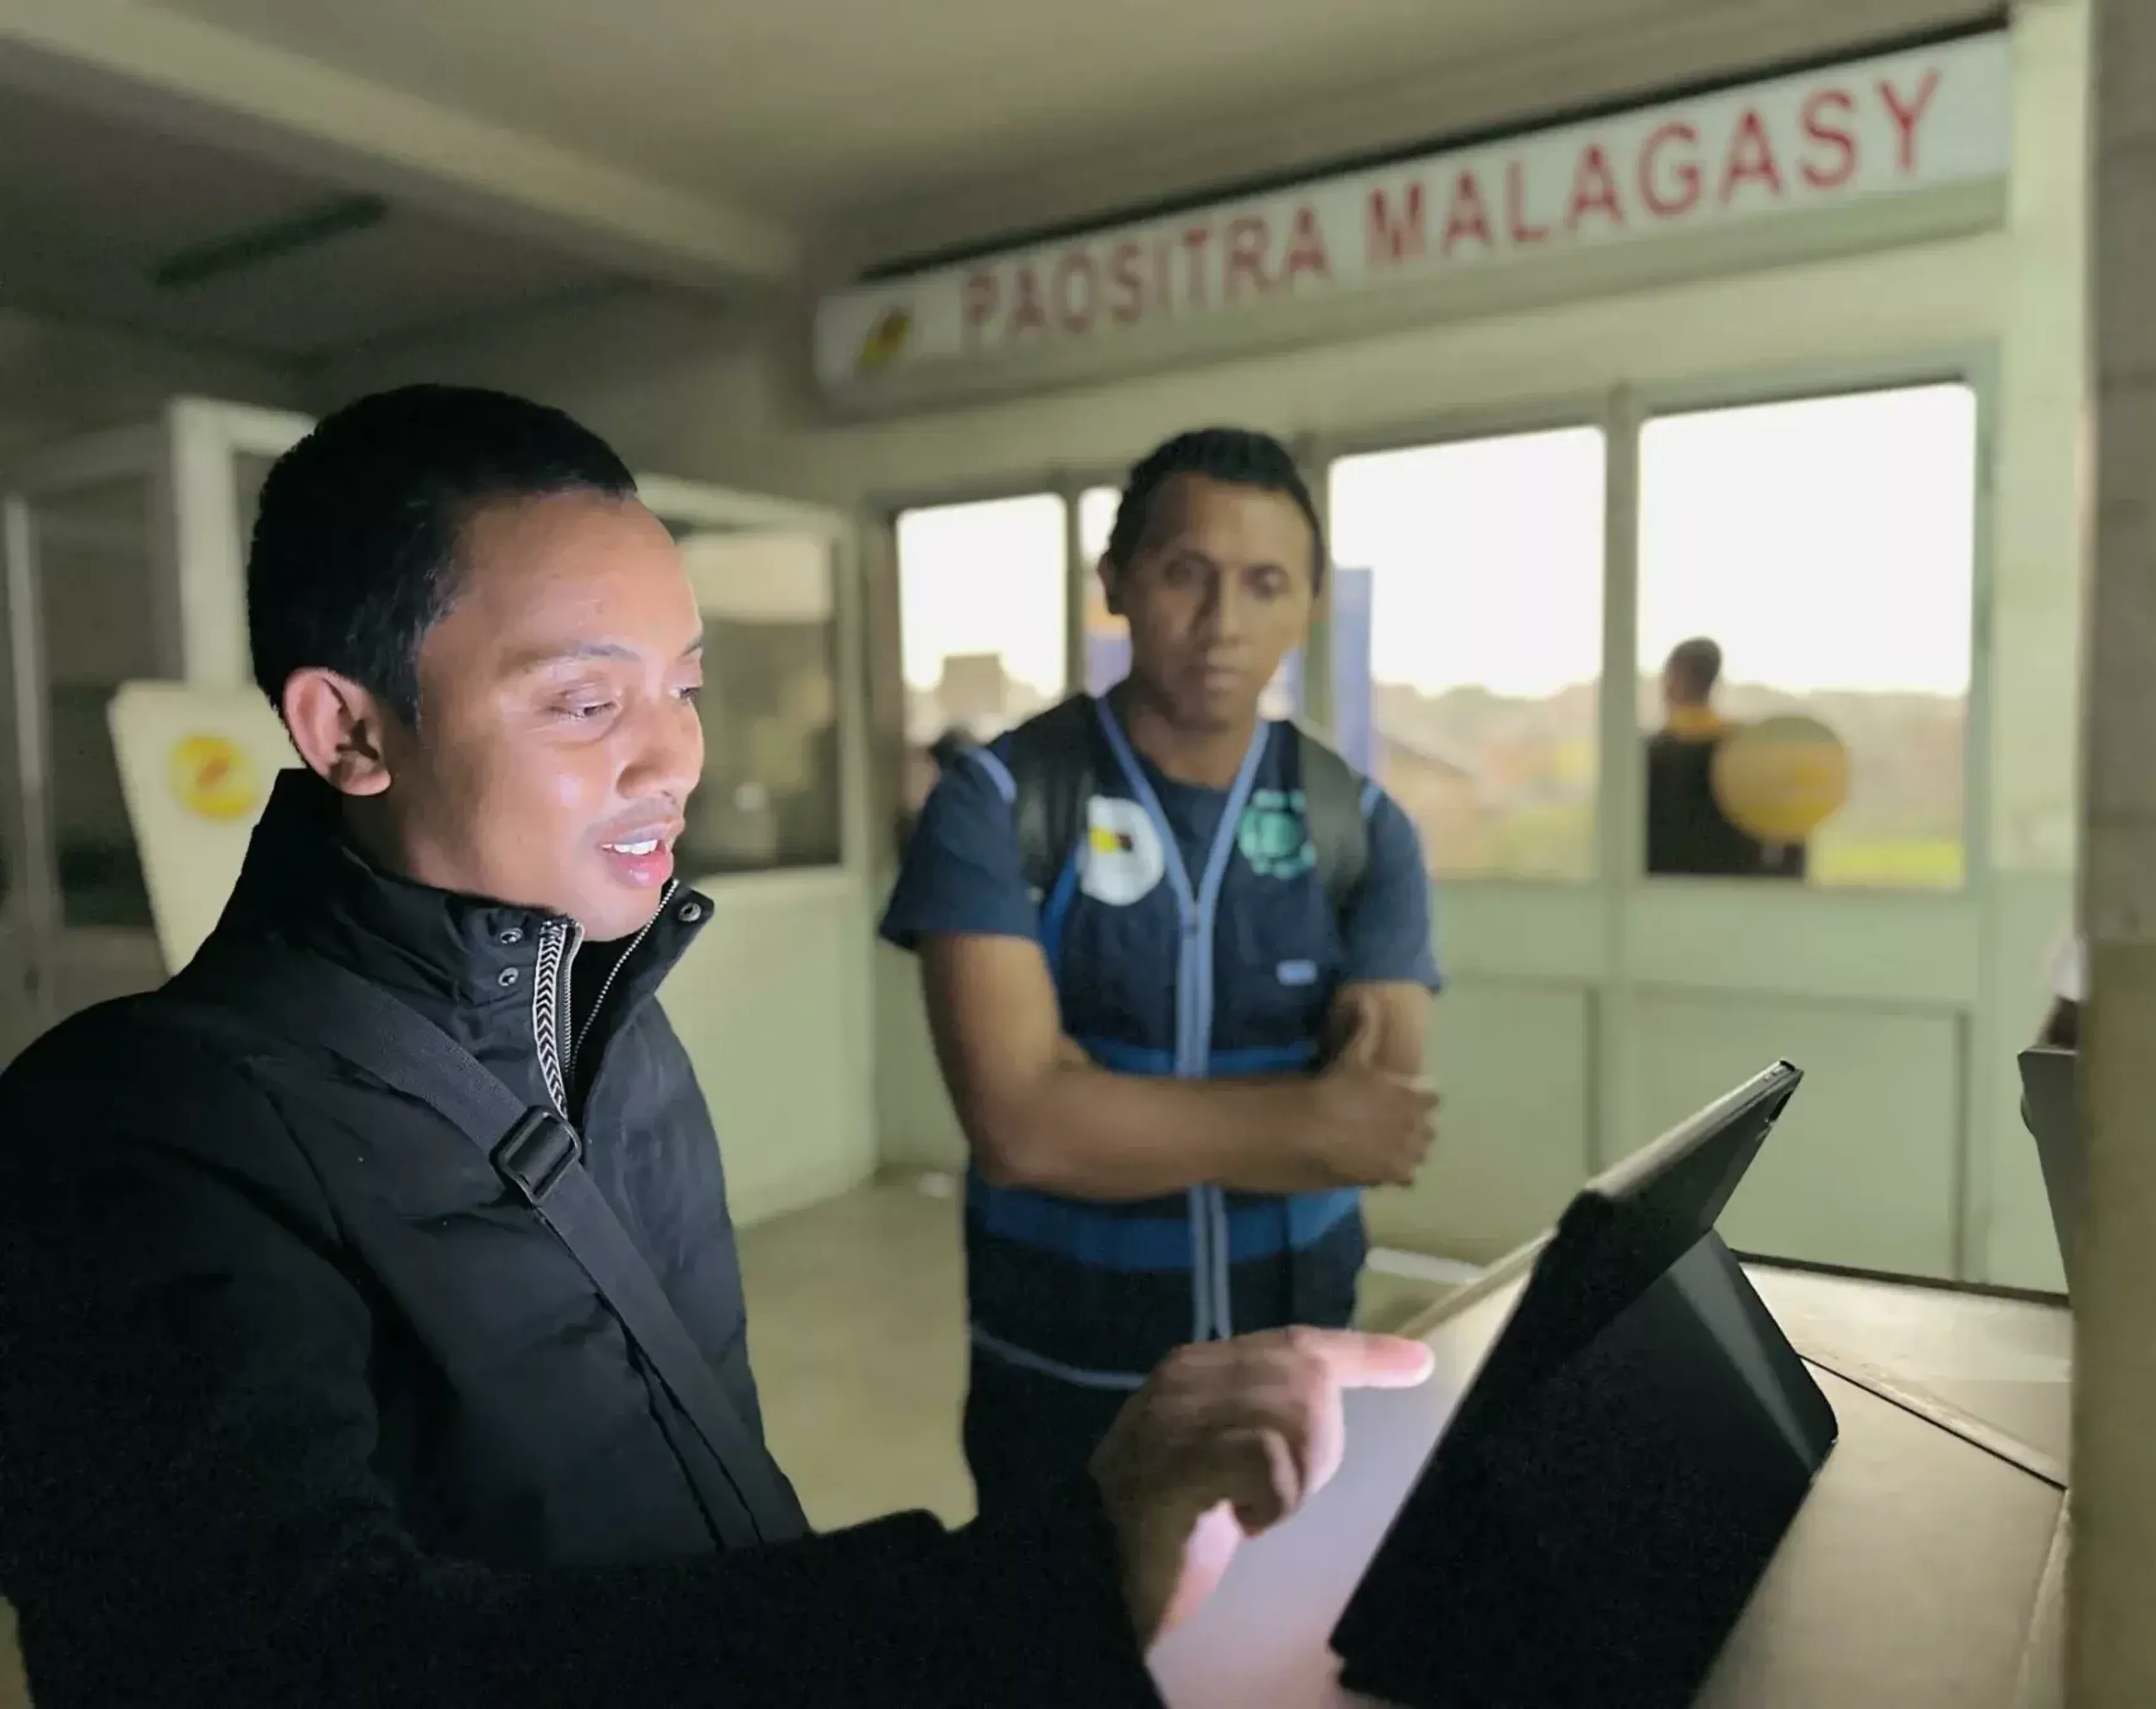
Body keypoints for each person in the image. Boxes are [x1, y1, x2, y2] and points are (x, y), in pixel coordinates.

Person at [0, 387, 1434, 1708]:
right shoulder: (134, 1136)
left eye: (683, 687)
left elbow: (708, 1518)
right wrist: (1025, 1589)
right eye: (584, 700)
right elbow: (283, 1661)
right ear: (350, 728)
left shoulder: (621, 1038)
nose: (673, 758)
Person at [881, 428, 1442, 1514]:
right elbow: (1021, 1129)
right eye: (1187, 572)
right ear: (1118, 581)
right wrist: (1303, 1119)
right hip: (1062, 1374)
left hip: (1295, 1368)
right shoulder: (997, 802)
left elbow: (1379, 1126)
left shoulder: (1363, 827)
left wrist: (1102, 1101)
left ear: (1310, 603)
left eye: (1266, 583)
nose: (1224, 622)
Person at [1644, 636, 1805, 879]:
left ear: (1674, 679)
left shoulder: (1650, 754)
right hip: (1738, 893)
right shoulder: (1745, 749)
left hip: (1664, 896)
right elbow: (1790, 830)